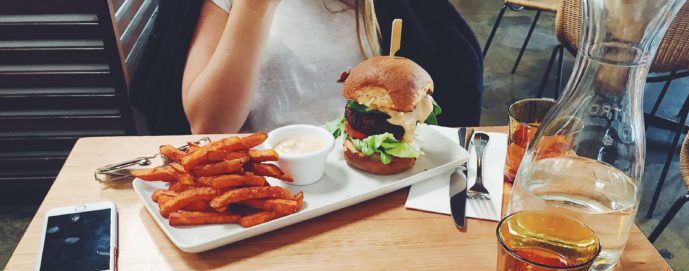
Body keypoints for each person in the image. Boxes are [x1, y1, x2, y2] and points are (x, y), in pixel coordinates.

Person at [131, 0, 483, 134]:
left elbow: (452, 81)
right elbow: (209, 125)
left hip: (377, 185)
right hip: (270, 190)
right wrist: (254, 8)